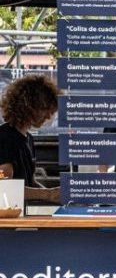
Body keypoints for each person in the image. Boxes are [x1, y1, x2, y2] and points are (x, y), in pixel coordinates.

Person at [0, 75, 61, 203]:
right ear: (28, 107)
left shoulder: (29, 138)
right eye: (45, 109)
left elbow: (31, 182)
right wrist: (48, 194)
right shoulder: (5, 138)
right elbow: (4, 186)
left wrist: (53, 196)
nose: (49, 116)